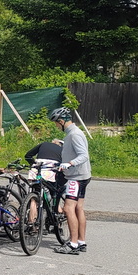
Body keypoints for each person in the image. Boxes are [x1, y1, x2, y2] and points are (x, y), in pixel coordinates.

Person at [50, 107, 92, 255]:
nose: (56, 126)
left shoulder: (74, 134)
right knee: (78, 208)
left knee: (68, 208)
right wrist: (63, 144)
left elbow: (84, 155)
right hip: (82, 175)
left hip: (76, 177)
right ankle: (81, 242)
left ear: (61, 121)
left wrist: (69, 163)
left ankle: (73, 244)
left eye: (56, 123)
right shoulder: (73, 133)